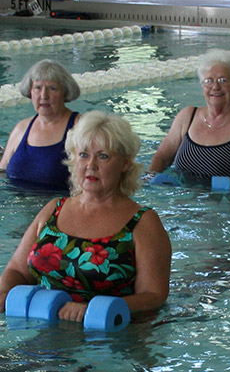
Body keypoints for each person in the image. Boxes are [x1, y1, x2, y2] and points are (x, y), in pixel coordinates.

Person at [0, 111, 171, 320]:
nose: (91, 165)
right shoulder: (54, 209)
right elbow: (17, 270)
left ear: (125, 163)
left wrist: (92, 309)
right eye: (84, 155)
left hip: (106, 338)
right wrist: (4, 294)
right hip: (41, 328)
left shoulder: (143, 223)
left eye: (103, 156)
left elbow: (153, 296)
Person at [148, 49, 230, 188]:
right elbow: (161, 158)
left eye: (223, 80)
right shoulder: (187, 117)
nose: (215, 87)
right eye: (208, 81)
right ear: (203, 86)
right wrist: (149, 179)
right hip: (182, 202)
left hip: (229, 203)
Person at [0, 60, 82, 193]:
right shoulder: (22, 128)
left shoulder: (80, 127)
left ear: (65, 92)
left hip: (58, 210)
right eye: (37, 88)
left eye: (52, 88)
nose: (44, 96)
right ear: (30, 92)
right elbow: (2, 171)